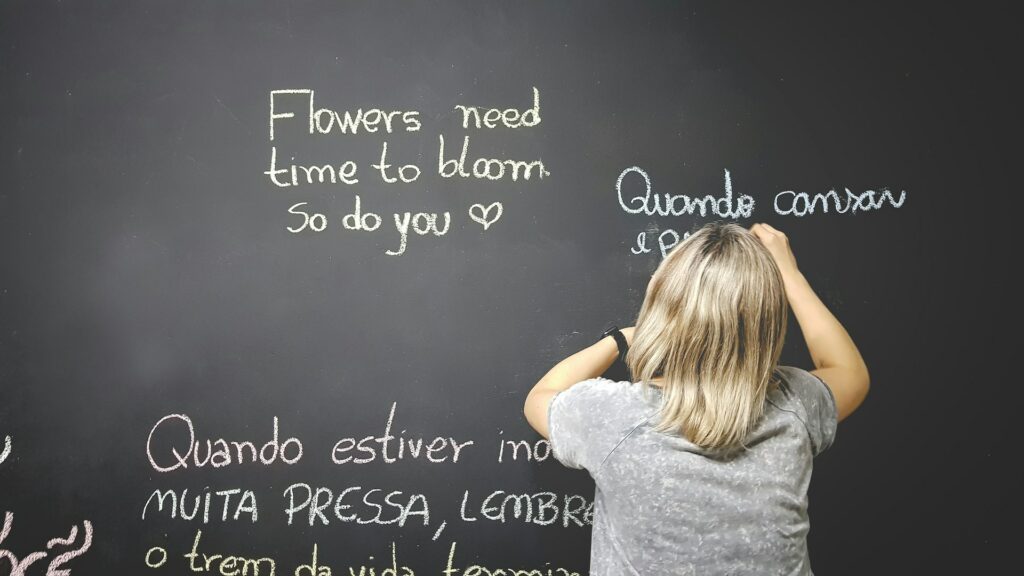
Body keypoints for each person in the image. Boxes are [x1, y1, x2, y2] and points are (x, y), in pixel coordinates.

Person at [523, 221, 870, 575]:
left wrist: (621, 339)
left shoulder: (614, 416)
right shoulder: (794, 405)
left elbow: (541, 396)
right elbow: (848, 370)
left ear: (661, 309)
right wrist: (789, 273)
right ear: (767, 321)